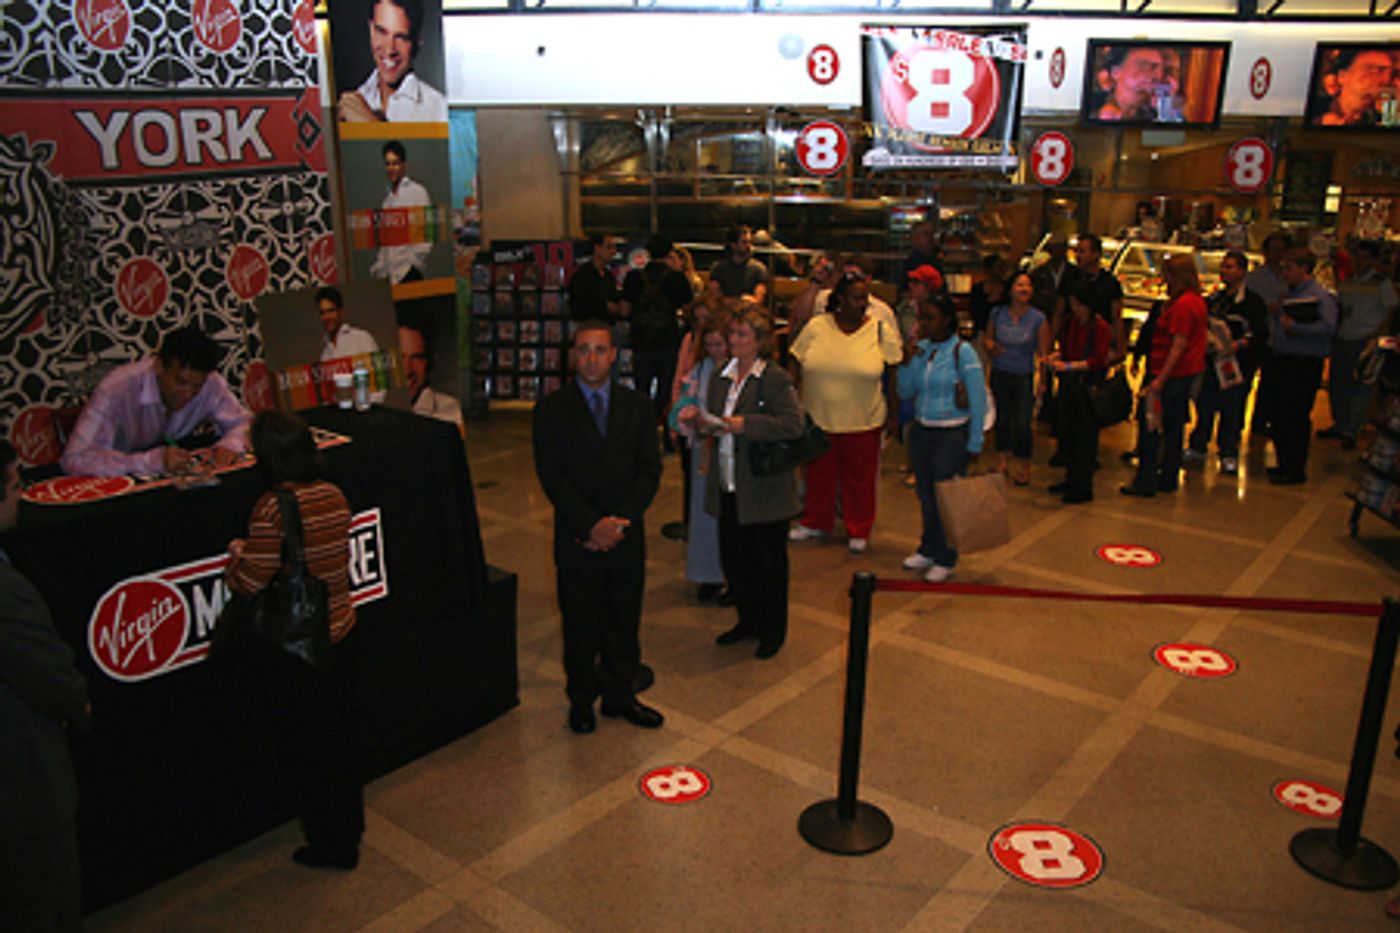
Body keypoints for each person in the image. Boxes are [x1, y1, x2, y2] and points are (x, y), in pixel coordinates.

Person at [225, 411, 363, 871]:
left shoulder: (272, 507)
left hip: (299, 646)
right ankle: (350, 827)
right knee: (340, 744)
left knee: (309, 753)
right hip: (340, 630)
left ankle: (330, 845)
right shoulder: (335, 494)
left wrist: (237, 556)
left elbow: (249, 581)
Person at [532, 322, 663, 734]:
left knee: (624, 620)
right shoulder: (551, 410)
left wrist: (618, 522)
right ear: (573, 355)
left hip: (625, 536)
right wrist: (591, 525)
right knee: (580, 624)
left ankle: (620, 696)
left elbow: (649, 471)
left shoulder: (638, 407)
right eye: (584, 349)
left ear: (614, 356)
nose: (591, 357)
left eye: (600, 349)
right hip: (578, 537)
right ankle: (582, 700)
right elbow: (553, 477)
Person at [0, 438, 91, 932]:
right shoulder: (7, 592)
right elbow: (47, 673)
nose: (21, 496)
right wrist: (79, 703)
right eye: (15, 487)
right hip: (22, 783)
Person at [691, 305, 804, 658]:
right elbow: (714, 418)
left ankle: (772, 630)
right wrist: (702, 422)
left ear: (759, 341)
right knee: (736, 559)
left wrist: (746, 425)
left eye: (742, 335)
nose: (733, 342)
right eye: (732, 334)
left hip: (764, 488)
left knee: (768, 563)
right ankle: (747, 620)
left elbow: (792, 424)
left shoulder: (772, 377)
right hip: (728, 482)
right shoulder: (721, 376)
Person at [788, 271, 903, 553]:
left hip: (864, 419)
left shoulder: (879, 330)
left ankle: (859, 527)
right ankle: (815, 520)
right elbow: (794, 358)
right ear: (840, 300)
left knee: (859, 479)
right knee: (817, 475)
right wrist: (792, 398)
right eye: (856, 298)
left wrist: (894, 414)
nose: (863, 303)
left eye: (865, 297)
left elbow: (893, 372)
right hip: (819, 416)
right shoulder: (817, 326)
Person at [60, 325, 251, 477]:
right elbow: (75, 458)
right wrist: (148, 462)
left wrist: (230, 445)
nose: (189, 394)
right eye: (180, 382)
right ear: (159, 366)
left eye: (197, 386)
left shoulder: (210, 383)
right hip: (120, 486)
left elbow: (243, 422)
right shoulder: (116, 389)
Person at [897, 296, 987, 581]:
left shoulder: (963, 352)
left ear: (947, 320)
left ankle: (946, 556)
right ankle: (928, 547)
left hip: (950, 433)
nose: (923, 324)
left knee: (946, 498)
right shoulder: (922, 350)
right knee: (925, 494)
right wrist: (907, 364)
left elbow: (978, 398)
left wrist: (975, 441)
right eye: (922, 318)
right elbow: (905, 391)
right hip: (923, 430)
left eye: (930, 318)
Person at [1122, 255, 1208, 497]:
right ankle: (1168, 476)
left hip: (1169, 374)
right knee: (1174, 426)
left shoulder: (1181, 306)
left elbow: (1178, 344)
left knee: (1151, 425)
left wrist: (1159, 379)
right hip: (1186, 372)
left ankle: (1146, 480)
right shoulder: (1197, 302)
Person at [1185, 251, 1265, 475]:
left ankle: (1228, 451)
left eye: (1229, 267)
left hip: (1237, 366)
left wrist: (1235, 347)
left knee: (1232, 409)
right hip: (1211, 363)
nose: (1224, 271)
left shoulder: (1252, 303)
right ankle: (1198, 445)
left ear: (1242, 271)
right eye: (1222, 266)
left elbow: (1258, 335)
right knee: (1205, 404)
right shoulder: (1215, 300)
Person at [1264, 248, 1339, 485]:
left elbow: (1328, 327)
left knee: (1295, 414)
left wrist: (1296, 326)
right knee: (1278, 413)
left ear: (1304, 268)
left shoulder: (1319, 296)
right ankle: (1283, 461)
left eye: (1289, 267)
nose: (1285, 272)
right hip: (1283, 358)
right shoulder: (1288, 293)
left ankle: (1295, 467)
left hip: (1304, 362)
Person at [670, 312, 730, 602]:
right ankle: (707, 574)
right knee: (704, 515)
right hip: (704, 450)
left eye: (721, 344)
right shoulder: (701, 368)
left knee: (728, 516)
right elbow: (685, 399)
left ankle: (729, 575)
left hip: (730, 451)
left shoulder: (740, 369)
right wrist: (686, 414)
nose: (716, 351)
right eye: (711, 345)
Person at [1322, 240, 1398, 447]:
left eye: (1364, 257)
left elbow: (1391, 309)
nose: (1359, 261)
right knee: (1338, 384)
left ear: (1372, 260)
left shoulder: (1381, 283)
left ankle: (1351, 429)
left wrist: (1376, 335)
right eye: (1356, 257)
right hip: (1344, 337)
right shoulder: (1348, 282)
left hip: (1365, 339)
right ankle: (1339, 424)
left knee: (1360, 387)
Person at [622, 234, 693, 434]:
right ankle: (666, 436)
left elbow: (625, 310)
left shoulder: (634, 277)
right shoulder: (677, 279)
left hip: (641, 340)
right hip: (667, 340)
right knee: (666, 390)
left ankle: (642, 433)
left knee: (641, 390)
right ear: (670, 252)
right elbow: (688, 309)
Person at [1048, 285, 1111, 504]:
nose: (1074, 308)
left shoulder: (1099, 327)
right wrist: (1055, 357)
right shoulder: (1072, 323)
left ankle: (1082, 485)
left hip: (1085, 386)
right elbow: (1066, 348)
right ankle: (1070, 477)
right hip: (1069, 385)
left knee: (1085, 438)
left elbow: (1098, 360)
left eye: (1078, 305)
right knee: (1069, 434)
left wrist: (1069, 366)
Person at [985, 270, 1049, 486]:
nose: (1024, 290)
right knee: (1001, 419)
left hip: (1023, 375)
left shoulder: (1038, 318)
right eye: (1020, 285)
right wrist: (991, 347)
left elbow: (1043, 352)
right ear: (1010, 289)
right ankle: (1002, 461)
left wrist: (1043, 380)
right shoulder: (997, 313)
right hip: (1000, 372)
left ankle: (1024, 466)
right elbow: (988, 339)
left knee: (1023, 422)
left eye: (1028, 286)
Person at [338, 0, 447, 122]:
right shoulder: (349, 103)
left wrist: (370, 124)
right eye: (381, 32)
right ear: (371, 30)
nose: (390, 50)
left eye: (401, 37)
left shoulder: (439, 109)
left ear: (417, 44)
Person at [369, 141, 432, 285]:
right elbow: (385, 242)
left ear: (404, 165)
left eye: (395, 163)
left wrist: (413, 261)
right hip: (391, 277)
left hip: (410, 272)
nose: (391, 168)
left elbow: (427, 232)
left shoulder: (417, 192)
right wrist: (380, 267)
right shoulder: (387, 202)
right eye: (388, 163)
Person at [1246, 232, 1290, 437]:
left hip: (1283, 338)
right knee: (1247, 381)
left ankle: (1265, 420)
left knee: (1273, 382)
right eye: (1273, 249)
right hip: (1258, 335)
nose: (1278, 253)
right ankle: (1249, 422)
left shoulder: (1290, 276)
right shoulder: (1255, 278)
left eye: (1281, 249)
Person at [397, 315, 462, 428]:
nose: (407, 370)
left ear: (431, 361)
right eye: (400, 358)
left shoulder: (453, 414)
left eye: (417, 358)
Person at [1073, 233, 1126, 363]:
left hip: (1100, 341)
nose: (1077, 256)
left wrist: (1120, 348)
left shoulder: (1109, 283)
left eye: (1082, 251)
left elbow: (1116, 316)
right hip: (1075, 340)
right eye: (1076, 251)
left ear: (1096, 254)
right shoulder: (1071, 278)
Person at [1094, 46, 1179, 122]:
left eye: (1160, 68)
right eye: (1144, 65)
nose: (1155, 75)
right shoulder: (1095, 108)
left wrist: (1166, 105)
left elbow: (1173, 136)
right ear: (1115, 72)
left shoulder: (1159, 110)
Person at [1315, 48, 1395, 127]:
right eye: (1370, 68)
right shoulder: (1316, 109)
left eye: (1387, 71)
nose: (1381, 77)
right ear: (1342, 76)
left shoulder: (1385, 114)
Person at [567, 234, 621, 323]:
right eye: (609, 247)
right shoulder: (582, 276)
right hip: (589, 326)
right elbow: (577, 307)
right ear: (597, 248)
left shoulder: (608, 276)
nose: (614, 252)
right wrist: (604, 307)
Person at [709, 225, 768, 306]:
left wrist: (730, 300)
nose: (749, 246)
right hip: (724, 314)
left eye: (750, 242)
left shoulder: (758, 269)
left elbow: (758, 300)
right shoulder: (719, 268)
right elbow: (714, 298)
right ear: (733, 245)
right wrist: (740, 300)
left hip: (749, 313)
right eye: (744, 242)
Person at [318, 286, 380, 361]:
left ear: (340, 312)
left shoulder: (362, 338)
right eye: (322, 313)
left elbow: (378, 370)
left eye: (331, 311)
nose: (327, 317)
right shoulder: (324, 355)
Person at [968, 255, 1011, 336]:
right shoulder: (978, 289)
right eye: (998, 267)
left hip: (1005, 331)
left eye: (1003, 266)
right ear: (988, 270)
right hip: (981, 332)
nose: (1002, 270)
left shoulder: (1009, 288)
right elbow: (975, 313)